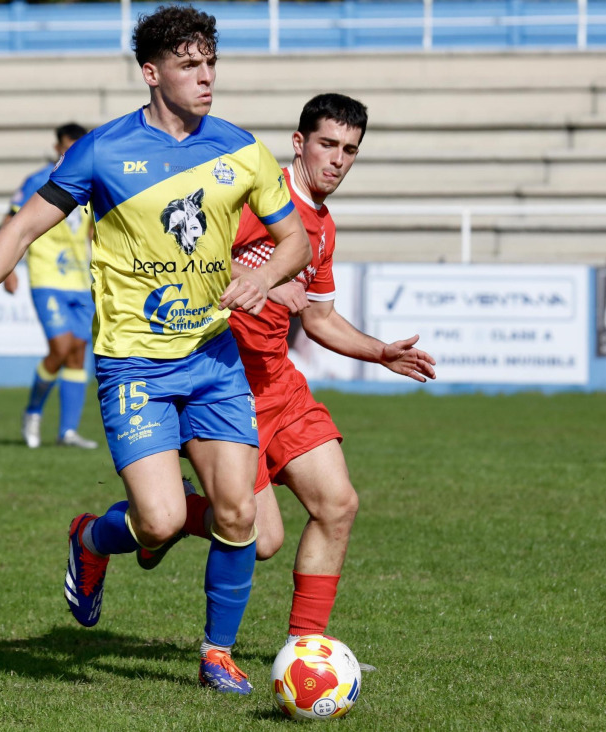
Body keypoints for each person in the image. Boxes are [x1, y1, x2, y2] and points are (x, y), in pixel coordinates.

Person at [0, 5, 311, 694]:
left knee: (241, 514)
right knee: (156, 522)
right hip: (134, 364)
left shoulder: (241, 148)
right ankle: (91, 539)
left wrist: (264, 274)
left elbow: (294, 239)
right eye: (189, 65)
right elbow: (22, 226)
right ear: (151, 73)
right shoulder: (102, 151)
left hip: (213, 359)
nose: (206, 77)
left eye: (211, 63)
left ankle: (217, 654)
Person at [138, 94, 437, 658]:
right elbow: (186, 255)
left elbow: (318, 317)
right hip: (223, 381)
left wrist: (379, 353)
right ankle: (172, 515)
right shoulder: (256, 196)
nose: (338, 160)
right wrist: (269, 284)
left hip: (278, 383)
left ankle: (306, 649)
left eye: (350, 150)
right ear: (299, 143)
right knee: (264, 539)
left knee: (339, 503)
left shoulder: (322, 229)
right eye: (327, 144)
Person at [2, 123, 100, 450]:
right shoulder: (38, 179)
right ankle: (32, 412)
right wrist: (8, 268)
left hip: (79, 279)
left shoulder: (90, 179)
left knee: (77, 353)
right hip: (47, 278)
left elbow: (90, 230)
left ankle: (67, 432)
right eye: (69, 146)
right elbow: (12, 222)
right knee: (60, 347)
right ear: (58, 146)